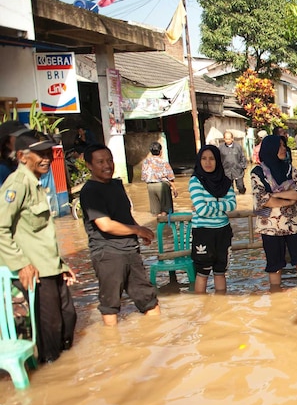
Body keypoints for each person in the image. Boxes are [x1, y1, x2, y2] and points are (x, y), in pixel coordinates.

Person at [0, 131, 77, 362]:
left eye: (48, 153)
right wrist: (21, 264)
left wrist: (61, 265)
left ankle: (64, 375)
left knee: (68, 319)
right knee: (50, 332)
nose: (46, 159)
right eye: (40, 154)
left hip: (50, 268)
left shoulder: (37, 183)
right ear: (22, 157)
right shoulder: (17, 184)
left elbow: (41, 234)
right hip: (35, 273)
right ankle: (52, 376)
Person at [79, 144, 160, 327]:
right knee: (110, 304)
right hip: (107, 254)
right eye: (100, 162)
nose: (107, 165)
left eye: (109, 160)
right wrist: (138, 230)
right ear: (89, 166)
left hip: (130, 250)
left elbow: (125, 215)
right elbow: (105, 225)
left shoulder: (116, 185)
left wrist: (139, 229)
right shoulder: (90, 191)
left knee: (148, 299)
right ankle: (112, 344)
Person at [251, 135, 297, 290]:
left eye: (283, 145)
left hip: (295, 224)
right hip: (270, 227)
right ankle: (276, 298)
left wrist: (276, 194)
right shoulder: (257, 173)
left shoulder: (290, 168)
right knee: (274, 267)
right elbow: (263, 200)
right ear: (270, 149)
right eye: (280, 146)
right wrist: (289, 198)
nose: (284, 148)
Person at [189, 146, 237, 294]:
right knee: (202, 274)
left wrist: (210, 204)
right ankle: (202, 309)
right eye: (204, 158)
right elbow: (201, 210)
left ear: (218, 160)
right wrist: (220, 206)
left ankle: (221, 308)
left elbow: (232, 205)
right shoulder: (195, 181)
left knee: (220, 272)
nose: (208, 162)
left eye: (212, 158)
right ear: (199, 161)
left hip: (223, 231)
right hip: (203, 233)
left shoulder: (225, 182)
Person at [140, 142, 176, 216]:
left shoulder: (146, 162)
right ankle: (166, 226)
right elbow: (170, 177)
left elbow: (143, 177)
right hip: (162, 186)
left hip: (150, 186)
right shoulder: (163, 161)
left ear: (151, 152)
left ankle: (157, 227)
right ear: (160, 151)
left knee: (156, 212)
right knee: (166, 210)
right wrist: (175, 189)